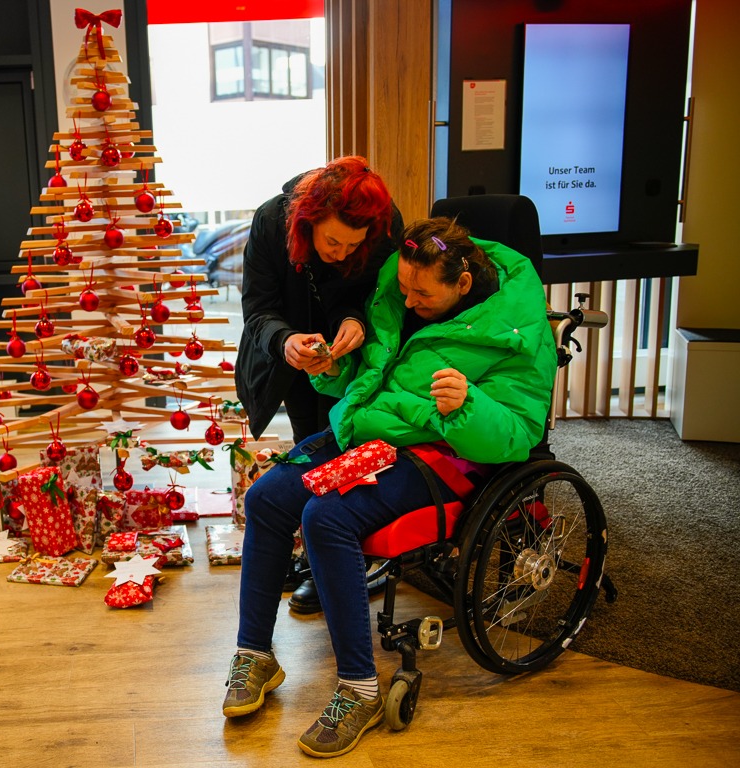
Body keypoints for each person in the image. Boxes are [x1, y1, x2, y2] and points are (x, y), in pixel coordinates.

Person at [222, 216, 558, 758]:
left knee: (326, 518)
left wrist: (468, 405)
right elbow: (371, 371)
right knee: (265, 498)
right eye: (403, 287)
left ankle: (360, 689)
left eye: (421, 294)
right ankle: (254, 653)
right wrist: (332, 365)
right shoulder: (399, 295)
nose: (408, 300)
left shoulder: (516, 326)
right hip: (367, 428)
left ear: (462, 284)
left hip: (439, 450)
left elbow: (520, 432)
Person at [235, 155, 403, 612]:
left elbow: (382, 294)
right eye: (332, 241)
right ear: (307, 220)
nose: (342, 254)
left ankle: (341, 565)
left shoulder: (383, 224)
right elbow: (258, 309)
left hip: (358, 358)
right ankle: (316, 559)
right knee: (309, 447)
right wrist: (285, 341)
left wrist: (357, 320)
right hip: (294, 357)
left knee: (355, 454)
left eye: (353, 245)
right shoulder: (271, 221)